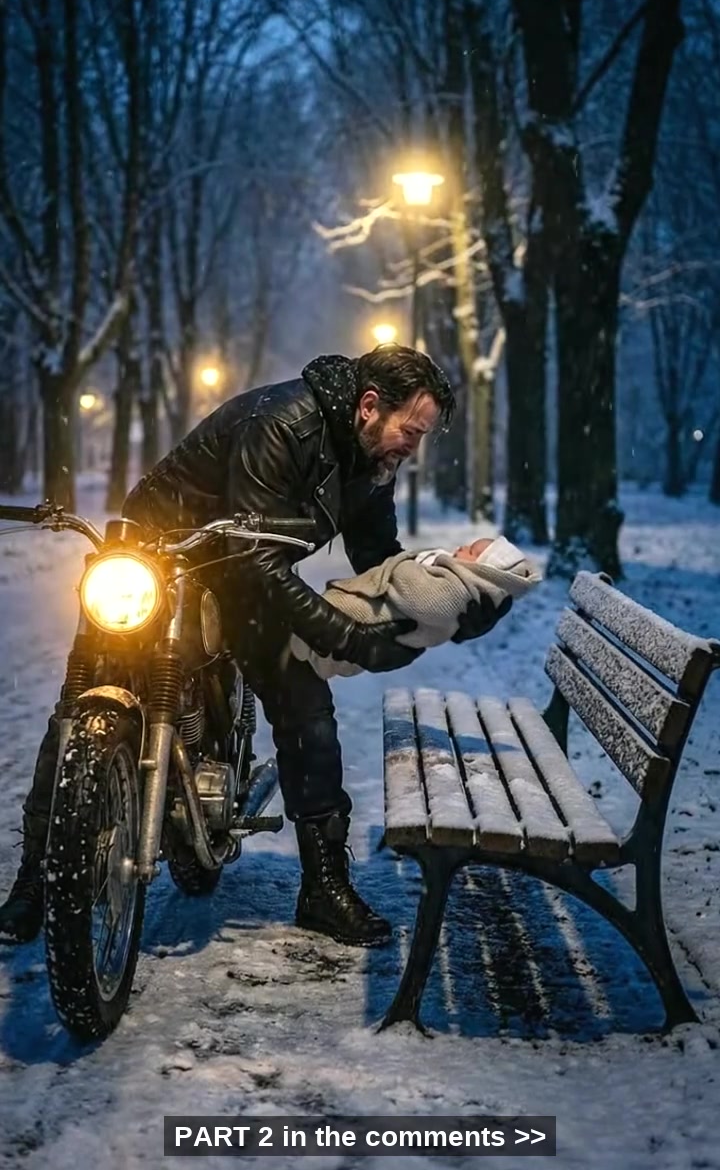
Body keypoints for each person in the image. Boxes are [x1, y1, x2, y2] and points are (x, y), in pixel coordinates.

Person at [0, 346, 510, 948]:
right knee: (81, 694)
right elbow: (257, 562)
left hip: (244, 565)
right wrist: (342, 635)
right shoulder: (282, 423)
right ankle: (35, 880)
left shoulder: (371, 460)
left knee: (303, 700)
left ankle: (324, 885)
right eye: (412, 430)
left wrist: (448, 608)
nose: (412, 446)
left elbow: (377, 557)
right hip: (161, 551)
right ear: (370, 407)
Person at [290, 535, 541, 679]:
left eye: (471, 551)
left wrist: (407, 564)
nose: (461, 548)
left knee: (329, 631)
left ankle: (296, 646)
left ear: (482, 568)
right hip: (361, 620)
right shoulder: (455, 580)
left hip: (369, 621)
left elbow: (423, 598)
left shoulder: (458, 588)